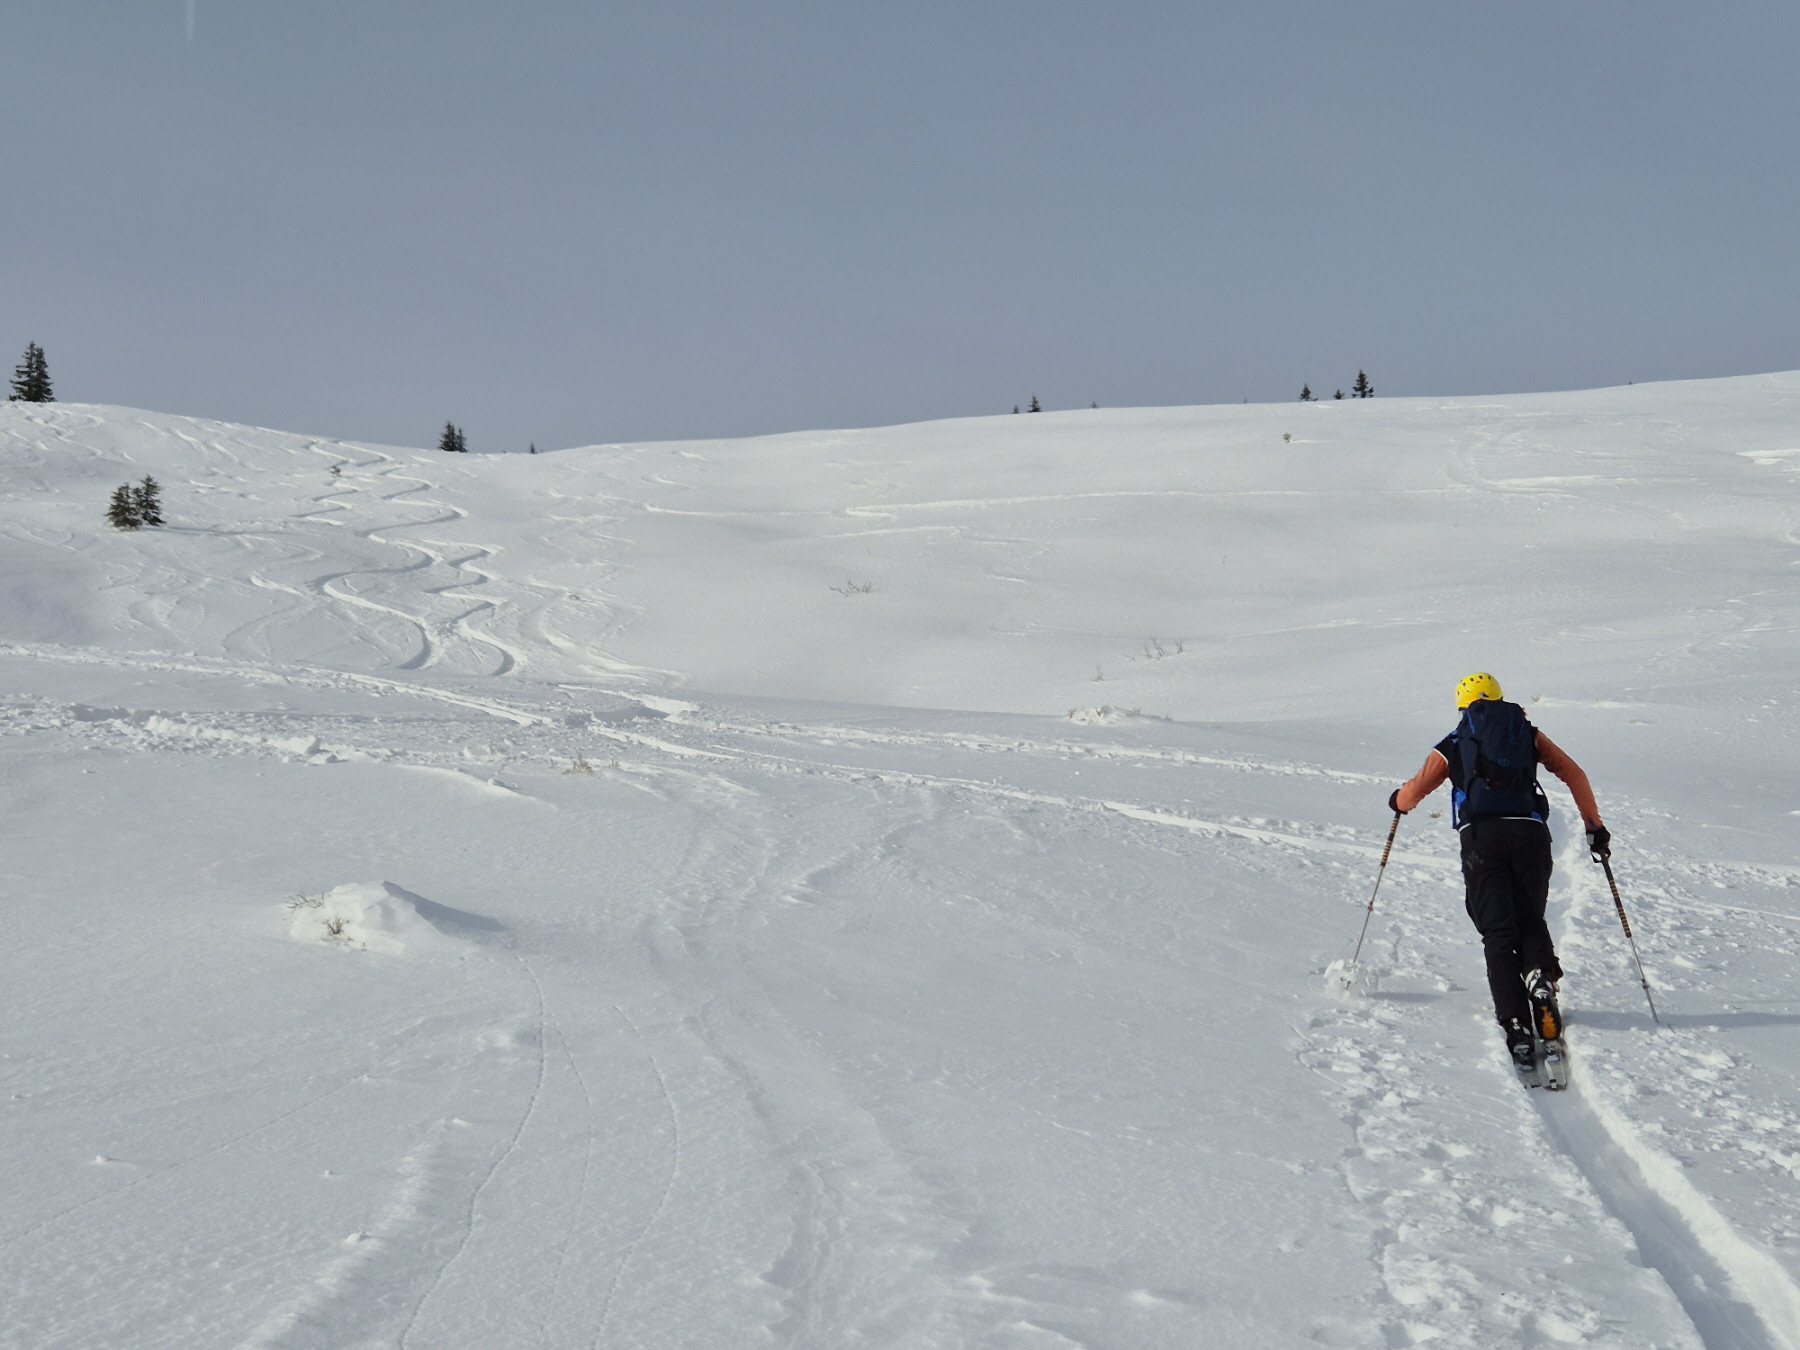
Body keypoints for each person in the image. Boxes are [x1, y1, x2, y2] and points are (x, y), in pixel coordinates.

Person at [1387, 672, 1611, 1076]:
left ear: (1463, 705)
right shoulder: (1526, 733)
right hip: (1530, 834)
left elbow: (1414, 791)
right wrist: (1593, 825)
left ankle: (1516, 1023)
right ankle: (1539, 979)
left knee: (1497, 931)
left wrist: (1398, 803)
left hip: (1481, 838)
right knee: (1530, 919)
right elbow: (1574, 774)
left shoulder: (1455, 740)